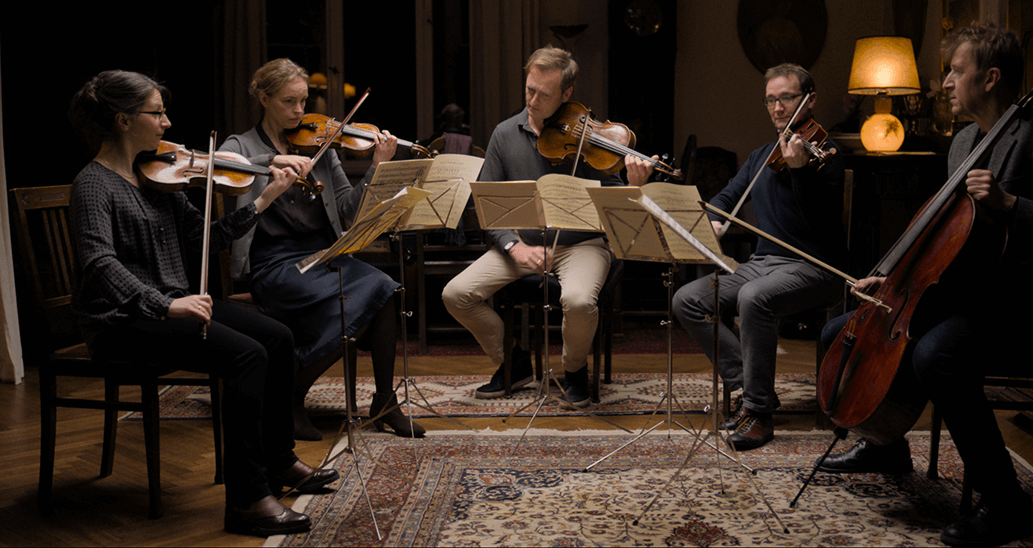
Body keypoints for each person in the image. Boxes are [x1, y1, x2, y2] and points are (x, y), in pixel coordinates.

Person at [817, 22, 1033, 547]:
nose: (945, 82)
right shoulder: (966, 142)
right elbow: (943, 234)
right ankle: (885, 446)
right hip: (977, 294)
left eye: (956, 71)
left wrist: (1012, 204)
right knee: (841, 331)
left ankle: (1007, 502)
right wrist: (893, 277)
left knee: (936, 354)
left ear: (990, 78)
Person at [68, 70, 335, 537]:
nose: (167, 123)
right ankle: (247, 499)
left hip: (171, 304)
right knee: (246, 355)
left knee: (277, 336)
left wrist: (264, 198)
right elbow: (99, 264)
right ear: (123, 121)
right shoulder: (93, 184)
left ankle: (279, 460)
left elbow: (204, 237)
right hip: (121, 320)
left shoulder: (155, 177)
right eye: (157, 113)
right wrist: (163, 305)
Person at [220, 58, 425, 441]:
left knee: (385, 288)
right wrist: (273, 160)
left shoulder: (322, 145)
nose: (300, 110)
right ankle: (292, 395)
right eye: (289, 101)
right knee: (363, 302)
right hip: (275, 265)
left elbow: (347, 209)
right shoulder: (242, 145)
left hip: (324, 257)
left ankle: (384, 401)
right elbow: (224, 165)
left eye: (303, 100)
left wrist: (377, 167)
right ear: (264, 99)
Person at [442, 46, 654, 408]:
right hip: (522, 242)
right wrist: (515, 247)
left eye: (544, 94)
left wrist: (635, 185)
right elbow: (486, 205)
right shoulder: (504, 134)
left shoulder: (589, 138)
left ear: (567, 94)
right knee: (456, 294)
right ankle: (513, 360)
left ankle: (574, 370)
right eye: (530, 90)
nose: (533, 100)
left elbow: (616, 205)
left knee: (578, 300)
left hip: (581, 244)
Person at [672, 63, 845, 451]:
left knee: (754, 298)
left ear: (810, 100)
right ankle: (748, 384)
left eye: (787, 98)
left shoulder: (828, 155)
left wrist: (800, 174)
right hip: (762, 265)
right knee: (687, 299)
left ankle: (759, 413)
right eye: (770, 100)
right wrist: (714, 220)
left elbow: (818, 224)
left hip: (814, 266)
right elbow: (726, 197)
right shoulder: (762, 157)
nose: (777, 108)